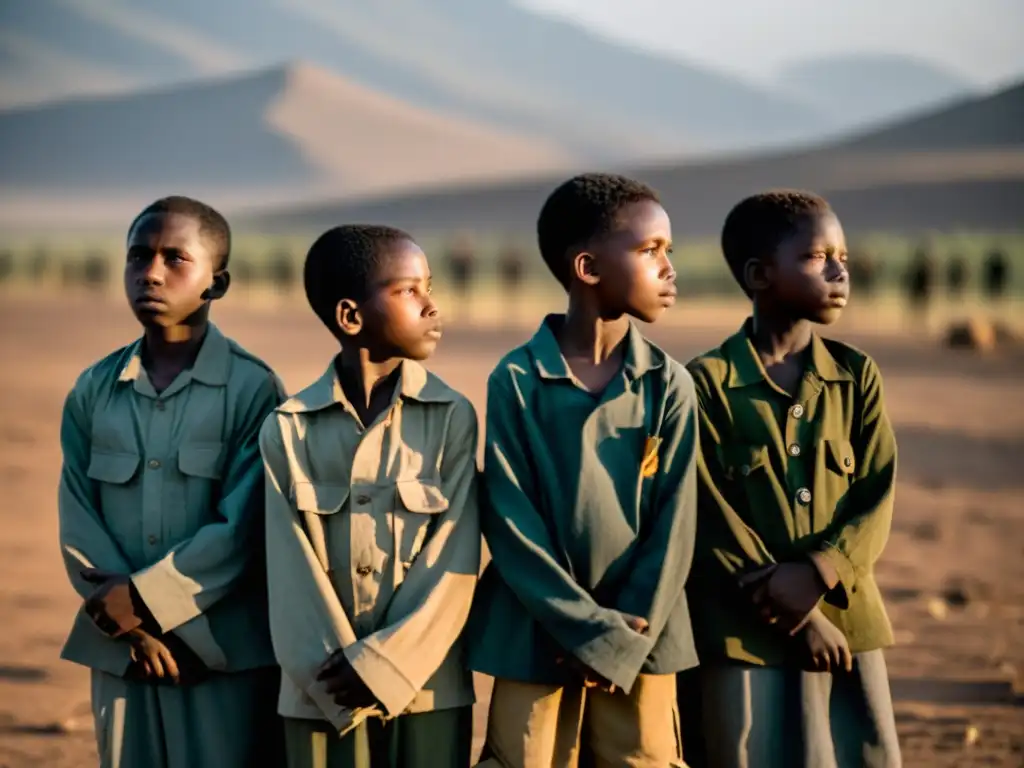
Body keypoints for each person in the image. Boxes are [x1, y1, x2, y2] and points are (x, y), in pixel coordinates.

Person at [470, 173, 698, 767]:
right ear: (589, 268)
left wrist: (617, 638)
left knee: (642, 758)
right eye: (651, 251)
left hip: (642, 636)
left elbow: (675, 526)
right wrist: (578, 627)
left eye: (668, 251)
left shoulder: (670, 384)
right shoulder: (517, 380)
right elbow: (511, 519)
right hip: (536, 634)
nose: (669, 268)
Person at [57, 196, 286, 767]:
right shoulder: (94, 389)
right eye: (138, 256)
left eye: (175, 258)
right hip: (121, 648)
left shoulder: (253, 389)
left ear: (218, 282)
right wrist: (126, 620)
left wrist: (150, 601)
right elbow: (78, 515)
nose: (150, 272)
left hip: (218, 650)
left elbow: (244, 526)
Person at [684, 190, 900, 768]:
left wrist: (822, 571)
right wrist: (798, 616)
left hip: (847, 624)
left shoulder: (856, 377)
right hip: (741, 633)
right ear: (759, 274)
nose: (838, 271)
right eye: (817, 257)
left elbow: (876, 495)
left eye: (844, 258)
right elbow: (705, 511)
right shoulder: (705, 384)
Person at [259, 225, 481, 768]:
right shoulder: (288, 429)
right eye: (409, 291)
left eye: (430, 287)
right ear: (351, 317)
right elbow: (289, 570)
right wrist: (332, 674)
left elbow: (453, 559)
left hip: (427, 686)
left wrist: (386, 664)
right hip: (321, 691)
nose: (432, 306)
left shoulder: (452, 419)